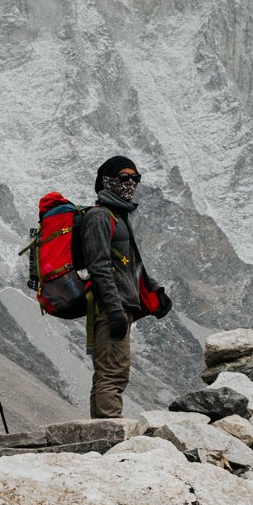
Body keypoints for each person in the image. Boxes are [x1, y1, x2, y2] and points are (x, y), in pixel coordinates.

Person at [73, 155, 171, 418]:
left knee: (108, 372)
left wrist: (155, 291)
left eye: (135, 178)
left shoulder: (118, 217)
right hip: (109, 308)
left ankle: (101, 434)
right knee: (113, 373)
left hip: (119, 307)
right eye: (124, 178)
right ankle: (110, 433)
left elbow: (131, 265)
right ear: (107, 181)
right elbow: (100, 266)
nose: (131, 184)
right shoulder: (99, 218)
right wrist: (115, 309)